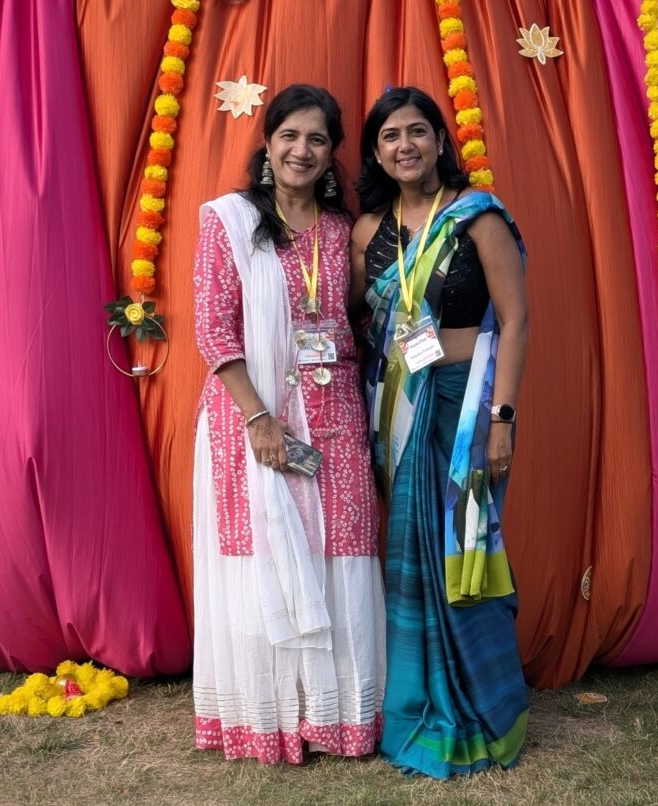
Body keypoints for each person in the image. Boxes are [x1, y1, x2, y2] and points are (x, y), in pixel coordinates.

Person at [191, 84, 385, 765]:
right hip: (253, 419)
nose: (302, 150)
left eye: (318, 139)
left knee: (341, 555)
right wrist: (260, 419)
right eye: (290, 136)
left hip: (334, 415)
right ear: (267, 145)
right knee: (265, 561)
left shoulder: (343, 231)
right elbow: (213, 330)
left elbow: (354, 321)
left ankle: (337, 718)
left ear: (333, 155)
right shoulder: (228, 219)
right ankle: (270, 719)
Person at [350, 86, 530, 778]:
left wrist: (501, 418)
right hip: (399, 409)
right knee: (412, 559)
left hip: (468, 408)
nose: (406, 146)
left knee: (466, 555)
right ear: (376, 150)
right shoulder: (367, 231)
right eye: (391, 135)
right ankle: (418, 704)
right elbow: (347, 326)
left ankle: (485, 707)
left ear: (438, 140)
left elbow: (515, 320)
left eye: (417, 132)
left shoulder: (476, 216)